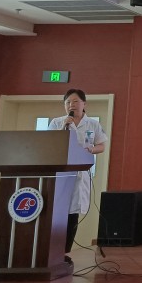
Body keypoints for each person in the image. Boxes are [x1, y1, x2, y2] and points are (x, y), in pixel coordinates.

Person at [48, 89, 107, 259]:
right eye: (67, 102)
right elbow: (49, 143)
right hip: (60, 174)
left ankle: (65, 253)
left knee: (73, 213)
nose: (71, 105)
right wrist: (64, 127)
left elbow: (101, 146)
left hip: (80, 174)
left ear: (84, 104)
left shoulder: (92, 124)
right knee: (57, 213)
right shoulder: (57, 122)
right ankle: (53, 253)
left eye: (75, 101)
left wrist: (91, 150)